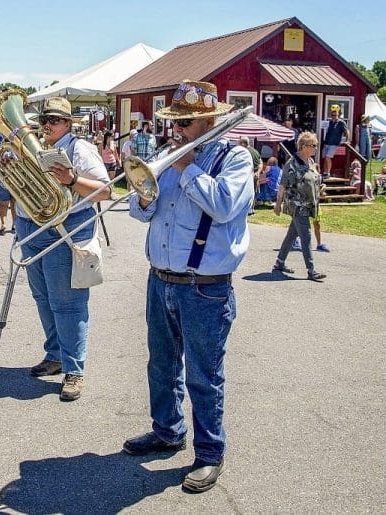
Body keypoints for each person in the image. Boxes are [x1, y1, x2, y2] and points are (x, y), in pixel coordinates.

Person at [125, 80, 254, 493]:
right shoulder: (168, 156)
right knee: (161, 364)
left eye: (186, 122)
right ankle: (167, 430)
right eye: (175, 122)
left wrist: (187, 168)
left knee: (203, 373)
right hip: (160, 278)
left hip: (206, 287)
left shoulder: (235, 159)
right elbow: (143, 212)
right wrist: (144, 195)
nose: (177, 130)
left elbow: (222, 207)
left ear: (210, 120)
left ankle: (210, 453)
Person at [18, 96, 111, 402]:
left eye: (55, 120)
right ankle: (55, 354)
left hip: (65, 231)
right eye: (45, 120)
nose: (47, 126)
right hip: (32, 227)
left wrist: (71, 179)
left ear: (69, 124)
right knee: (43, 296)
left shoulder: (80, 148)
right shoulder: (34, 146)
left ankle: (74, 369)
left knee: (68, 302)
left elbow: (105, 190)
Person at [273, 131, 327, 281]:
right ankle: (311, 270)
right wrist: (278, 205)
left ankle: (279, 263)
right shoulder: (292, 163)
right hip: (297, 205)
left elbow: (313, 180)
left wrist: (320, 187)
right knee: (306, 236)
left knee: (292, 234)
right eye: (313, 146)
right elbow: (283, 185)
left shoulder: (310, 162)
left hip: (309, 204)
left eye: (316, 145)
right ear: (303, 146)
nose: (316, 148)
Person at [321, 104, 348, 178]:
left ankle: (328, 173)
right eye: (332, 115)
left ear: (338, 115)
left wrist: (347, 140)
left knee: (327, 157)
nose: (334, 116)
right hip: (327, 142)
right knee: (324, 157)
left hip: (334, 143)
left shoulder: (341, 123)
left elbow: (346, 131)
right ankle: (325, 172)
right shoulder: (329, 122)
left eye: (335, 115)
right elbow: (323, 129)